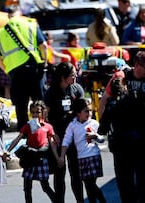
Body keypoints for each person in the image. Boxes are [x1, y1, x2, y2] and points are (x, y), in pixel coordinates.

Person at [99, 51, 145, 202]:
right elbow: (105, 100)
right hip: (121, 140)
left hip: (141, 140)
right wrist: (104, 125)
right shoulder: (121, 77)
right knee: (125, 183)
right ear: (137, 65)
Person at [0, 4, 48, 130]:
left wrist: (7, 70)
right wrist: (44, 63)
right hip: (34, 69)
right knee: (39, 103)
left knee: (20, 107)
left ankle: (24, 137)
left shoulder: (1, 33)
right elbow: (44, 46)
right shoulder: (30, 24)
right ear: (20, 13)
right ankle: (43, 132)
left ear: (8, 16)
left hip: (15, 73)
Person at [44, 62, 85, 203]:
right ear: (63, 77)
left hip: (74, 138)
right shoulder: (51, 92)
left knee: (76, 173)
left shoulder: (77, 89)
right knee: (59, 173)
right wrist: (51, 133)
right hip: (58, 138)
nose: (75, 77)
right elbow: (44, 116)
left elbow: (84, 111)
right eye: (72, 75)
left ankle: (80, 200)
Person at [3, 100, 58, 203]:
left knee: (45, 186)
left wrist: (58, 158)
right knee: (27, 187)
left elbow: (52, 143)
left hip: (41, 159)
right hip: (30, 158)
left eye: (38, 112)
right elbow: (18, 138)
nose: (35, 115)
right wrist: (8, 151)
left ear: (43, 112)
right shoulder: (28, 126)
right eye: (33, 112)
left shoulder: (47, 127)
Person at [59, 98, 106, 203]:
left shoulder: (94, 123)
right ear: (78, 113)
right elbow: (66, 140)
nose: (89, 113)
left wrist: (96, 136)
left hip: (93, 156)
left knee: (91, 184)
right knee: (88, 185)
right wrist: (62, 156)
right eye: (86, 111)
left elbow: (102, 139)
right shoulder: (73, 125)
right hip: (81, 158)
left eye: (89, 110)